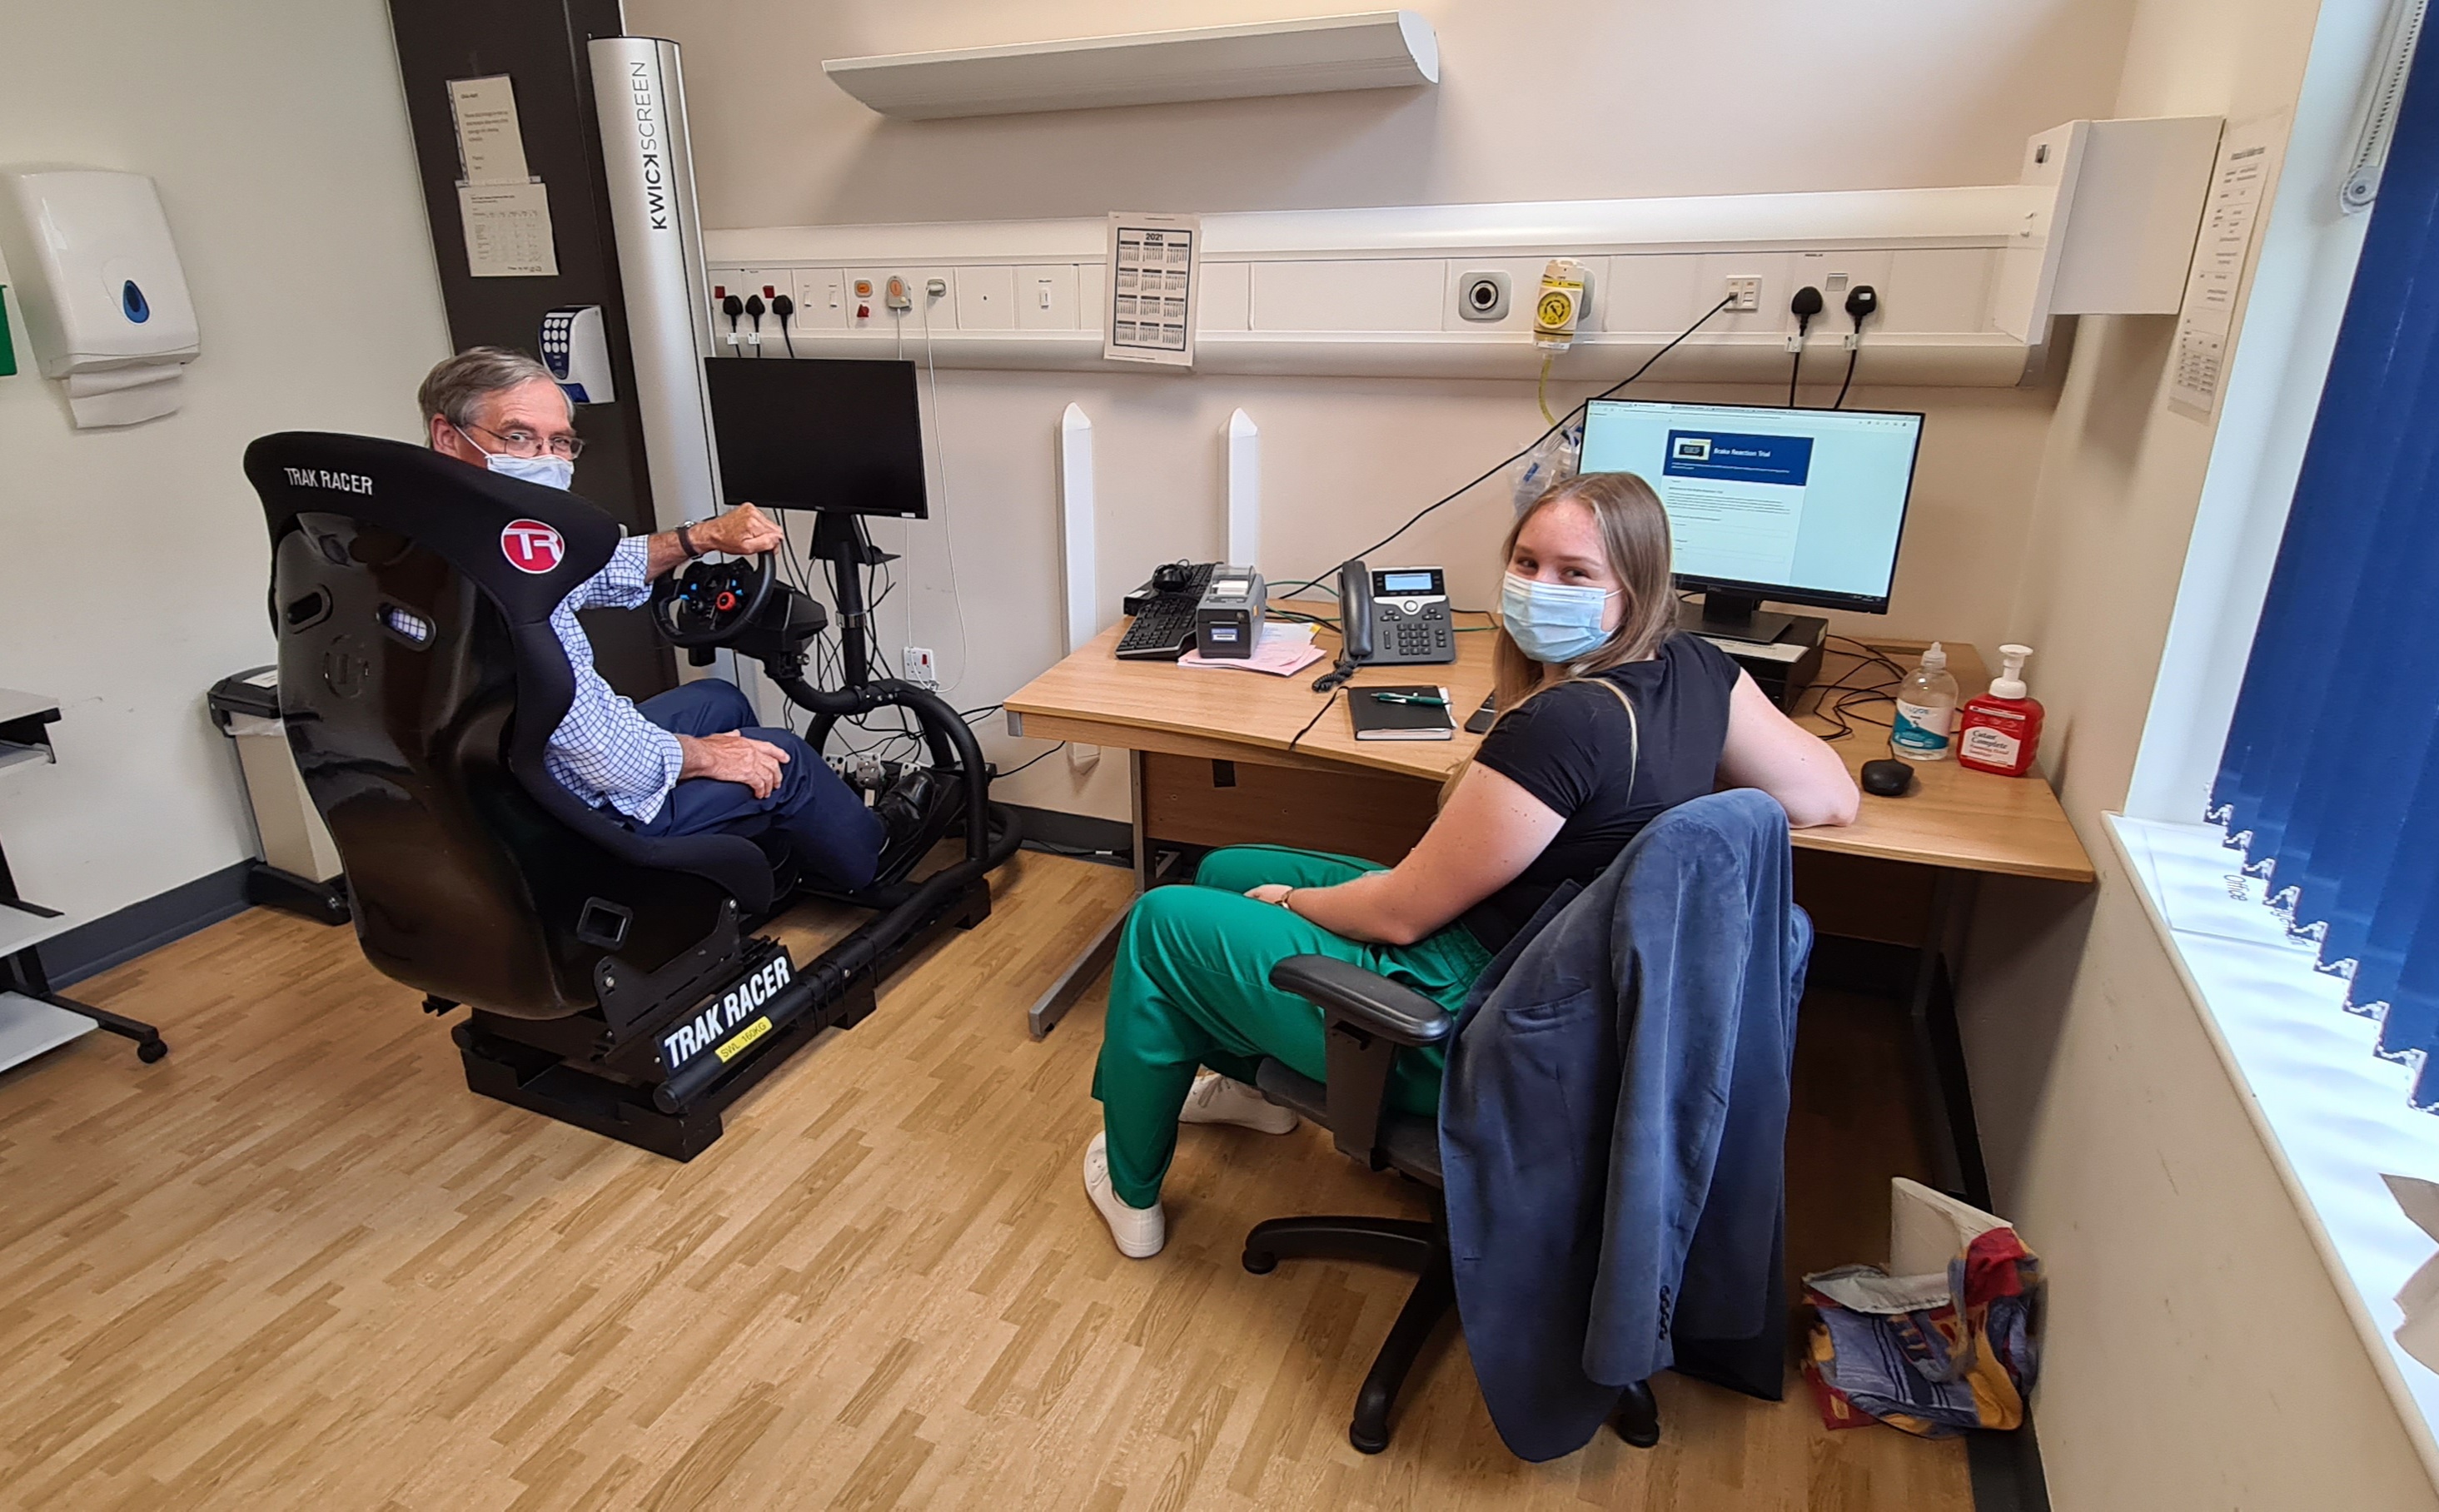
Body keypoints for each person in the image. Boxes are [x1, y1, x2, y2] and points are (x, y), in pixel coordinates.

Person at [1083, 470, 1860, 1257]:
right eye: (1525, 562)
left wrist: (1292, 901)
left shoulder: (1567, 723)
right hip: (1551, 976)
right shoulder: (1695, 668)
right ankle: (1258, 1096)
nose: (1536, 588)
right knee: (1225, 870)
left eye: (1574, 574)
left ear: (1635, 590)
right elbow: (1828, 796)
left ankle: (1130, 1191)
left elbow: (1397, 914)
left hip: (1477, 1022)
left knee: (1161, 922)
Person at [418, 346, 910, 893]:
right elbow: (602, 757)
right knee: (782, 756)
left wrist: (697, 538)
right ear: (447, 437)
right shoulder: (503, 590)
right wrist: (707, 758)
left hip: (507, 781)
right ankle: (875, 854)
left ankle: (746, 868)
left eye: (559, 443)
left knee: (718, 701)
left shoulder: (442, 537)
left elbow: (591, 573)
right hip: (579, 811)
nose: (544, 459)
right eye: (517, 438)